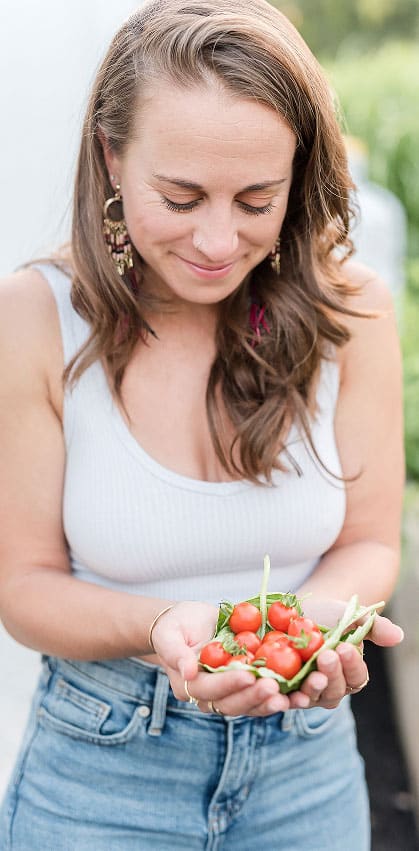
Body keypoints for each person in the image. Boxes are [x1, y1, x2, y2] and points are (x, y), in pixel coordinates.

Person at [0, 0, 404, 848]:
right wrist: (163, 628)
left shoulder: (353, 310)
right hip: (100, 775)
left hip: (307, 774)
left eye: (257, 200)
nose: (219, 241)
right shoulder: (36, 317)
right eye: (179, 196)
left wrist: (295, 641)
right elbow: (23, 585)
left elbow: (369, 541)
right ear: (111, 157)